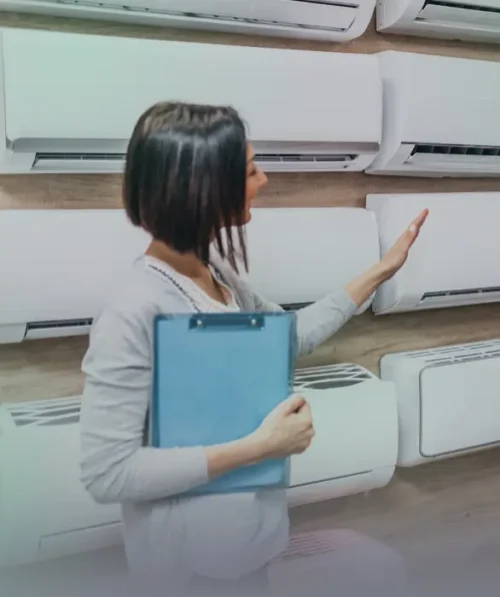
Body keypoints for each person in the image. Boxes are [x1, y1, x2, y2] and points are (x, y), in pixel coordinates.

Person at [77, 102, 428, 594]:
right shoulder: (134, 306)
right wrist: (260, 448)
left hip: (247, 551)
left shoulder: (219, 277)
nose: (262, 181)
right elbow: (107, 473)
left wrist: (380, 272)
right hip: (191, 573)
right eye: (249, 171)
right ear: (202, 187)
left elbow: (290, 335)